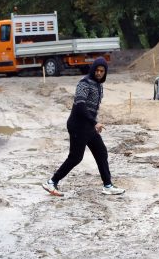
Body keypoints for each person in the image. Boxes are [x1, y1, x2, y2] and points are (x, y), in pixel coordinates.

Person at [43, 57, 125, 196]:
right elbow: (80, 106)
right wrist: (95, 123)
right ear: (93, 70)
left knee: (101, 152)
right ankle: (52, 182)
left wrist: (94, 123)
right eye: (97, 70)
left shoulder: (99, 85)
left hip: (88, 126)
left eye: (102, 71)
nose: (99, 73)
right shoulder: (84, 83)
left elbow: (91, 109)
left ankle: (107, 186)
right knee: (76, 157)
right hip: (78, 125)